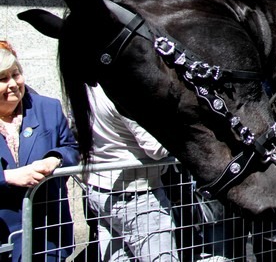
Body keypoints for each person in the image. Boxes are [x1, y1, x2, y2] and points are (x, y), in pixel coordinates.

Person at [81, 84, 179, 261]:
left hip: (101, 191)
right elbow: (156, 149)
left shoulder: (88, 86)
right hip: (135, 196)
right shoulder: (123, 90)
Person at [0, 44, 80, 262]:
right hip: (4, 233)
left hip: (46, 234)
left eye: (16, 74)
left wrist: (55, 159)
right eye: (3, 79)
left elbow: (73, 148)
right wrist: (8, 176)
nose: (13, 84)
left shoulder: (48, 108)